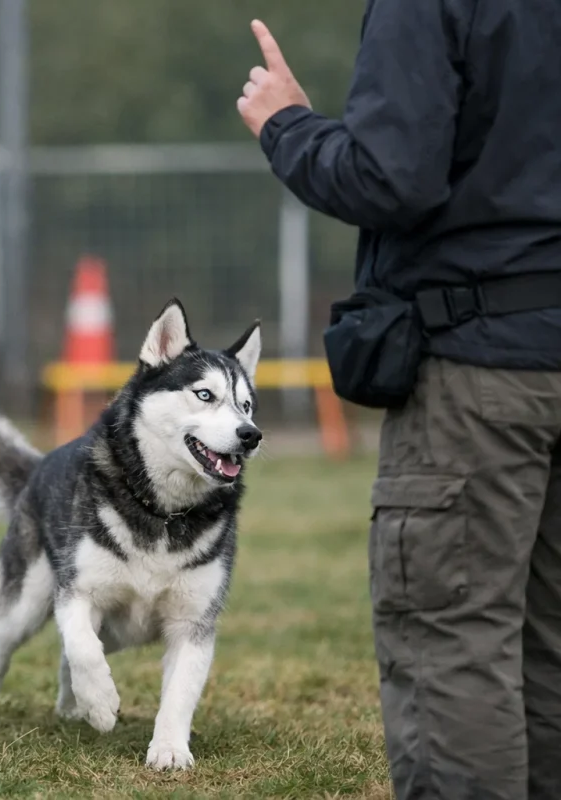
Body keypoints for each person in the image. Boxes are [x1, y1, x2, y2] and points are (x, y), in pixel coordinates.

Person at [235, 3, 561, 799]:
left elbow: (393, 175)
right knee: (548, 644)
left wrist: (288, 127)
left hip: (479, 365)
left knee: (452, 636)